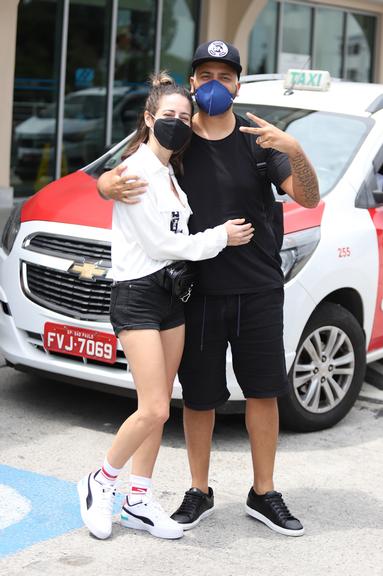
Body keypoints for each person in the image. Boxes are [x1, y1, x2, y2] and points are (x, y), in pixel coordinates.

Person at [97, 40, 320, 537]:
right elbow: (128, 171)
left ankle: (264, 493)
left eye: (225, 75)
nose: (214, 84)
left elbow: (307, 195)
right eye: (205, 75)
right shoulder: (177, 140)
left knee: (264, 392)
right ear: (193, 83)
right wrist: (104, 185)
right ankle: (198, 490)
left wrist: (296, 150)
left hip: (259, 287)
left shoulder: (258, 139)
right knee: (199, 398)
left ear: (238, 83)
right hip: (193, 293)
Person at [77, 71, 254, 541]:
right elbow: (159, 243)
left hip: (171, 296)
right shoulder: (134, 171)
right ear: (150, 120)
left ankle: (138, 497)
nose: (176, 123)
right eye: (168, 116)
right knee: (154, 408)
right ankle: (101, 482)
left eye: (183, 116)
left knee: (159, 402)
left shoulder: (173, 173)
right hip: (137, 294)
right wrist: (220, 237)